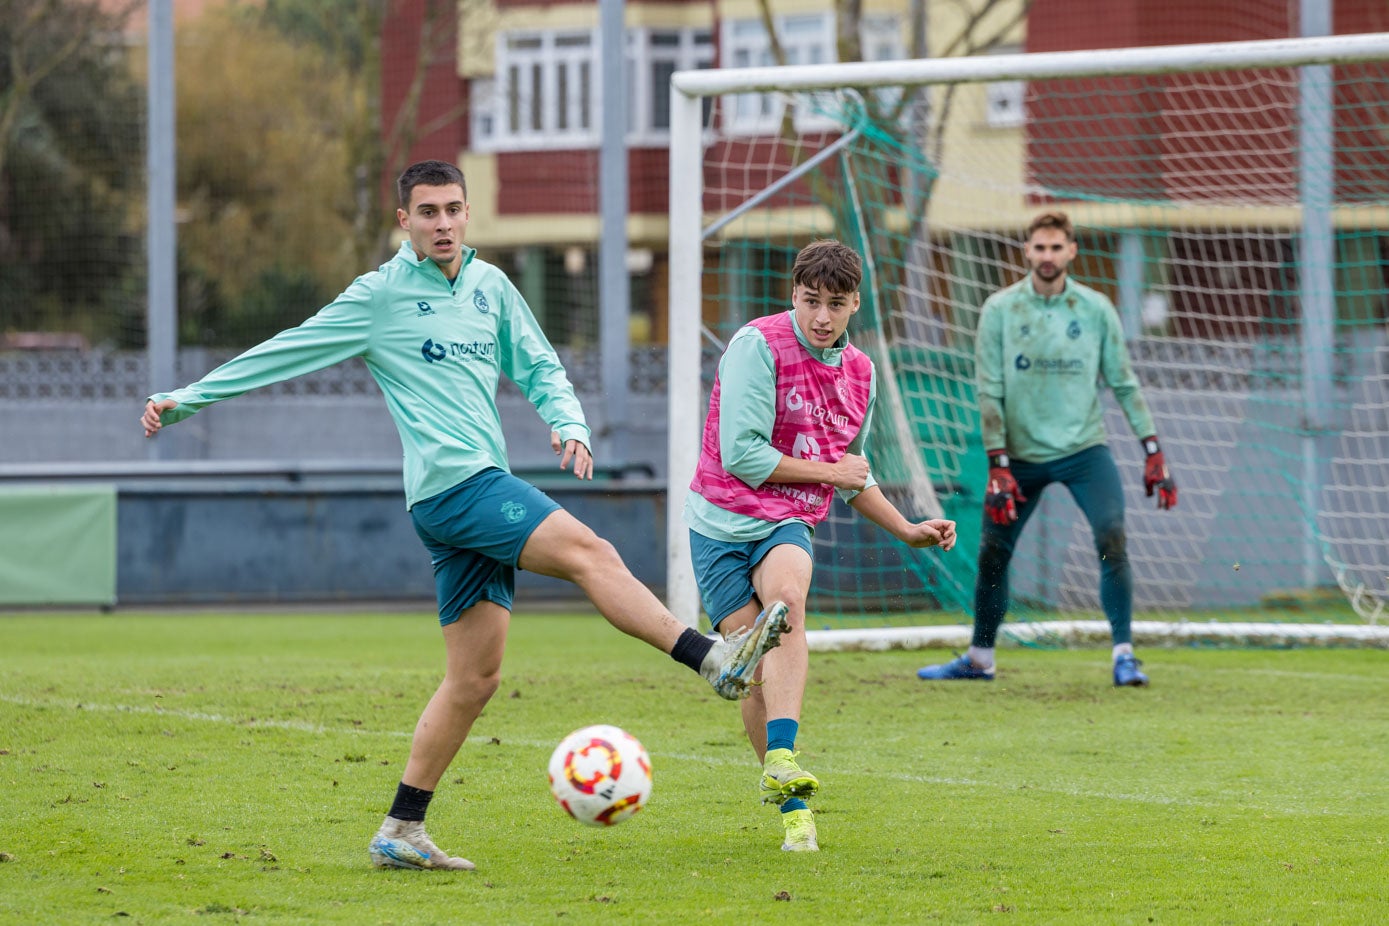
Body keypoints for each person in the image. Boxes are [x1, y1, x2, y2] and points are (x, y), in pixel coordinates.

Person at [140, 159, 789, 872]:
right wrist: (187, 398)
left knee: (474, 679)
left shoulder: (489, 286)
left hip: (475, 489)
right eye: (427, 212)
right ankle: (712, 659)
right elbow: (285, 350)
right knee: (592, 552)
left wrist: (568, 423)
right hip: (454, 487)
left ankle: (401, 828)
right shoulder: (379, 296)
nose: (442, 223)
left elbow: (539, 363)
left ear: (466, 212)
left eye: (452, 209)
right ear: (404, 221)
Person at [685, 239, 958, 852]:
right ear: (793, 295)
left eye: (835, 304)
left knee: (787, 603)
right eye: (811, 301)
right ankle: (792, 806)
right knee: (750, 671)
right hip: (719, 523)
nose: (822, 318)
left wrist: (908, 528)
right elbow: (744, 456)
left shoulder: (861, 374)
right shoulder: (756, 347)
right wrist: (833, 475)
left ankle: (782, 755)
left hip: (787, 520)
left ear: (855, 302)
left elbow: (852, 476)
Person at [916, 211, 1177, 688]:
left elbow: (1123, 381)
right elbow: (988, 390)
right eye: (1040, 247)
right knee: (994, 554)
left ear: (1072, 251)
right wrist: (998, 463)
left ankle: (1124, 656)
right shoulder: (1000, 309)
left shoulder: (1097, 309)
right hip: (1017, 459)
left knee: (1112, 534)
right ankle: (979, 658)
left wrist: (1153, 449)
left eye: (1057, 247)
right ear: (1027, 251)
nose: (1048, 256)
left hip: (1084, 450)